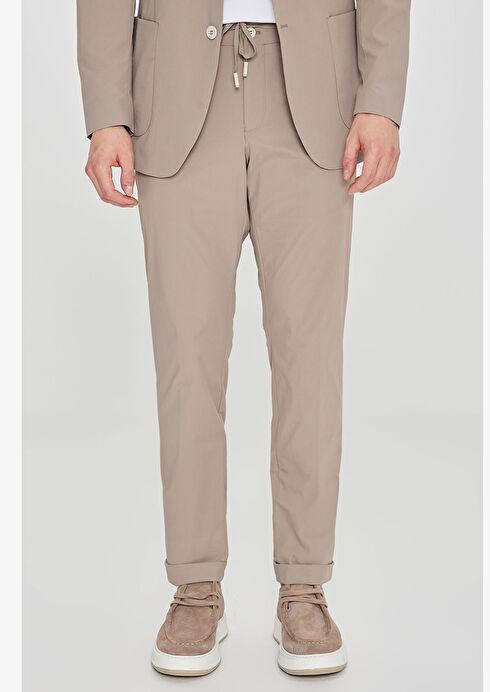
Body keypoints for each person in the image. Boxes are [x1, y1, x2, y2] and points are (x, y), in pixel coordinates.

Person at [77, 0, 410, 677]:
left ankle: (304, 587)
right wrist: (106, 113)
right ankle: (195, 586)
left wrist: (381, 100)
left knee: (310, 360)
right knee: (186, 360)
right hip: (175, 90)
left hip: (314, 91)